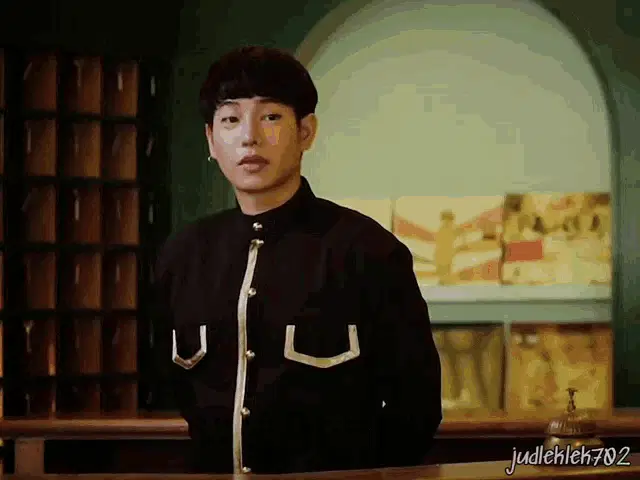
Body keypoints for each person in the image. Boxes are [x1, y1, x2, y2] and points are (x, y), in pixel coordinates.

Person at [153, 45, 442, 475]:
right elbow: (173, 389)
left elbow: (416, 407)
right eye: (231, 119)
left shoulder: (366, 251)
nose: (250, 136)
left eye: (270, 116)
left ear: (306, 132)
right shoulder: (184, 256)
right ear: (211, 140)